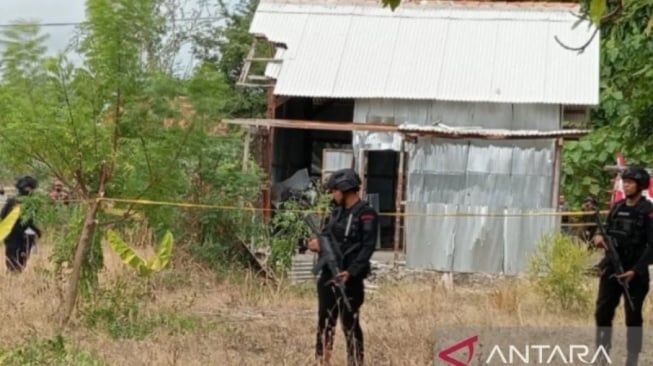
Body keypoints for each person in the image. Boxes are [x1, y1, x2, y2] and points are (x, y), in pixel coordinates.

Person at [307, 168, 378, 366]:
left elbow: (367, 247)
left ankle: (355, 362)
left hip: (350, 279)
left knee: (350, 324)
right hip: (329, 274)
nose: (332, 194)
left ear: (345, 189)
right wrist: (315, 245)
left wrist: (351, 271)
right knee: (325, 322)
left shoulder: (366, 214)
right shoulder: (335, 212)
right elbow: (325, 237)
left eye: (334, 190)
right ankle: (322, 361)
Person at [593, 166, 653, 366]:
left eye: (629, 182)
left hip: (635, 272)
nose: (625, 185)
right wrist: (598, 237)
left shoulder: (648, 212)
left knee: (633, 316)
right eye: (624, 182)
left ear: (640, 185)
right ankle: (602, 355)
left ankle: (632, 359)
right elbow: (605, 231)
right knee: (602, 312)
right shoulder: (617, 207)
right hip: (612, 268)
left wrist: (635, 270)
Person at [0, 176, 42, 273]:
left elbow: (2, 216)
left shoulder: (13, 201)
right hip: (13, 235)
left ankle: (14, 276)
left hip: (18, 235)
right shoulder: (17, 202)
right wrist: (36, 230)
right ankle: (12, 278)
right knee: (15, 261)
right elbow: (27, 221)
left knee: (17, 261)